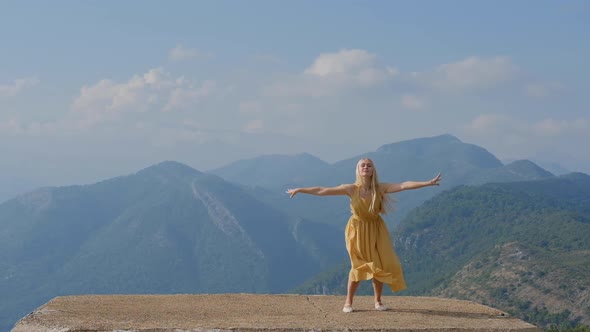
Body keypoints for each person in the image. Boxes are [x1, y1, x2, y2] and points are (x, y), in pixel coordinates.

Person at [287, 158, 441, 313]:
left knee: (379, 264)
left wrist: (427, 183)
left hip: (376, 228)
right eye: (363, 165)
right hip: (357, 229)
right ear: (358, 170)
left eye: (369, 165)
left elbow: (403, 185)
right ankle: (348, 302)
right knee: (358, 265)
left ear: (373, 170)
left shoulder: (380, 188)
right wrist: (301, 189)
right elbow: (322, 190)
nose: (366, 167)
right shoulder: (351, 189)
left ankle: (378, 301)